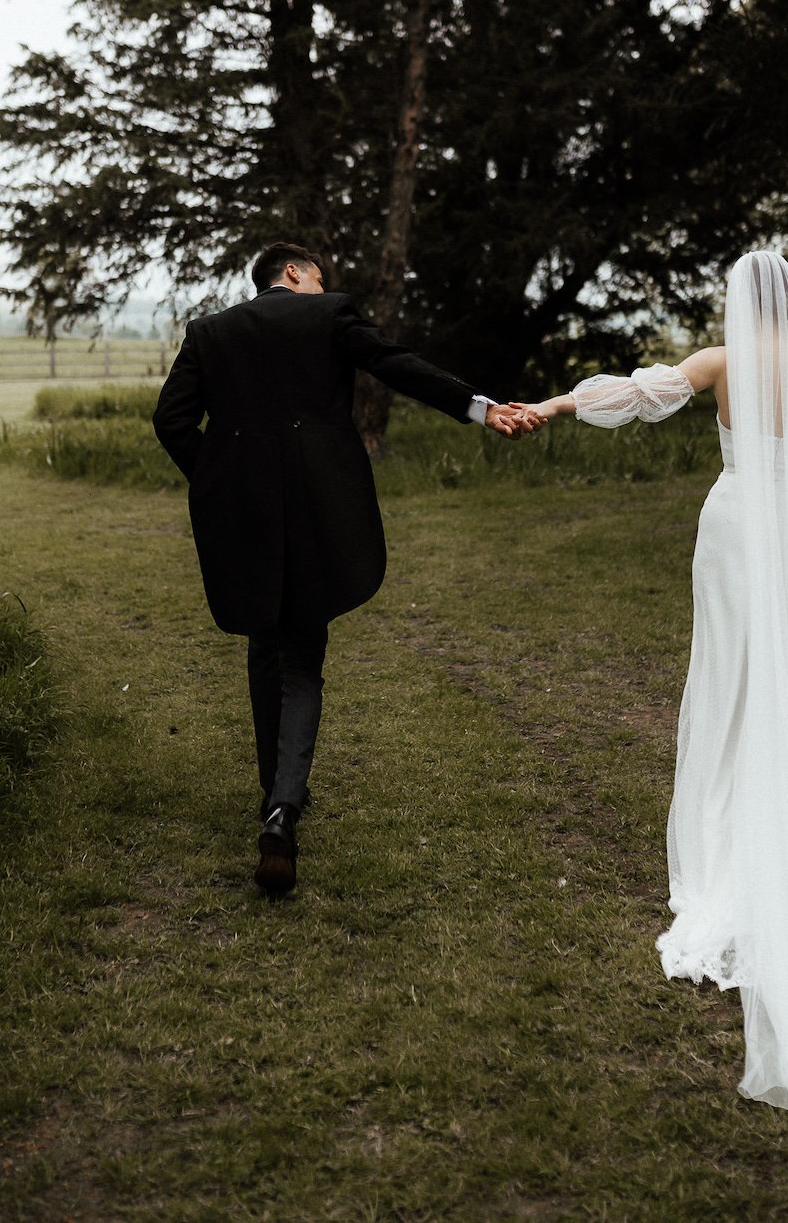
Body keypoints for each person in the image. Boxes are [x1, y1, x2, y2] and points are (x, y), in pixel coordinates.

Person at [519, 250, 788, 1133]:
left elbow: (636, 391)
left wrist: (550, 403)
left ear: (742, 300)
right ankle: (771, 813)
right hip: (787, 526)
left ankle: (726, 834)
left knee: (728, 674)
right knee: (782, 672)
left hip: (734, 524)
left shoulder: (725, 358)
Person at [153, 242, 538, 896]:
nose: (321, 284)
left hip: (246, 515)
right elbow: (397, 366)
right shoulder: (327, 314)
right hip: (316, 509)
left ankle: (273, 796)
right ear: (296, 272)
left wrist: (222, 481)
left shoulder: (209, 332)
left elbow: (171, 421)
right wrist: (480, 406)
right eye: (318, 276)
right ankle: (282, 807)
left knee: (262, 644)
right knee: (302, 655)